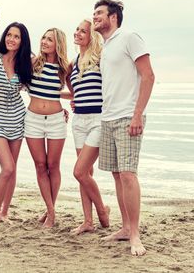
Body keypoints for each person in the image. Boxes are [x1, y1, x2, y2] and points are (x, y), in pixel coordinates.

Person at [93, 0, 155, 256]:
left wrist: (137, 114)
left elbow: (148, 75)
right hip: (107, 118)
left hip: (128, 117)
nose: (95, 17)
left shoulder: (130, 37)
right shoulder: (106, 46)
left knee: (129, 175)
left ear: (113, 17)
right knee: (117, 175)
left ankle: (136, 236)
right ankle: (126, 227)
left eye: (99, 13)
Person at [0, 22, 33, 227]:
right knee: (7, 167)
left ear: (22, 41)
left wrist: (59, 106)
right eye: (9, 35)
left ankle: (5, 212)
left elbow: (38, 90)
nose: (11, 39)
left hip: (17, 118)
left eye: (17, 37)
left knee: (12, 169)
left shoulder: (26, 63)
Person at [64, 19, 110, 234]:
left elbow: (111, 85)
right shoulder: (74, 62)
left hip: (97, 120)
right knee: (86, 173)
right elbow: (75, 92)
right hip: (79, 122)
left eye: (84, 31)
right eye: (77, 29)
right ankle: (88, 221)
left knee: (79, 172)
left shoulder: (101, 57)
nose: (78, 33)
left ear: (92, 35)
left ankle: (102, 210)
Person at [25, 28, 70, 228]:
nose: (44, 41)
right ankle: (51, 212)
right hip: (33, 119)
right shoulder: (33, 62)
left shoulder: (65, 68)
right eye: (43, 37)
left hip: (55, 120)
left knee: (53, 165)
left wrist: (59, 99)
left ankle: (50, 210)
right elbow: (18, 84)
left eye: (49, 39)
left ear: (58, 44)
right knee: (40, 166)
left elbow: (75, 91)